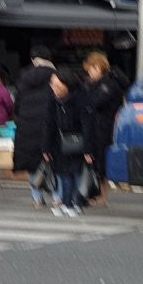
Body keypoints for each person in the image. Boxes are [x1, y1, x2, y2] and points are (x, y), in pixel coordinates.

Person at [82, 52, 129, 205]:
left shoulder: (108, 84)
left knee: (100, 162)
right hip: (98, 126)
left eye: (91, 70)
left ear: (98, 67)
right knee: (96, 161)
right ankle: (96, 195)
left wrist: (88, 90)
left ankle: (102, 197)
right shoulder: (101, 83)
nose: (89, 73)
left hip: (104, 127)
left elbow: (94, 102)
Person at [45, 70, 93, 217]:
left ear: (68, 85)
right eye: (53, 85)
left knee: (76, 174)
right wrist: (45, 147)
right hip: (59, 142)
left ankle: (75, 203)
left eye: (58, 85)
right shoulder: (53, 101)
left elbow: (87, 125)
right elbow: (48, 125)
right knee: (64, 174)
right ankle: (67, 203)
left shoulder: (80, 99)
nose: (54, 88)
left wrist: (88, 149)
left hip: (78, 141)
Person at [13, 45, 56, 202]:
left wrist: (20, 118)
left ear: (33, 60)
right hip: (48, 124)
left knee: (31, 162)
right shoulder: (55, 77)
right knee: (51, 160)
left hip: (27, 124)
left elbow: (17, 105)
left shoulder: (24, 77)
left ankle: (37, 198)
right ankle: (56, 195)